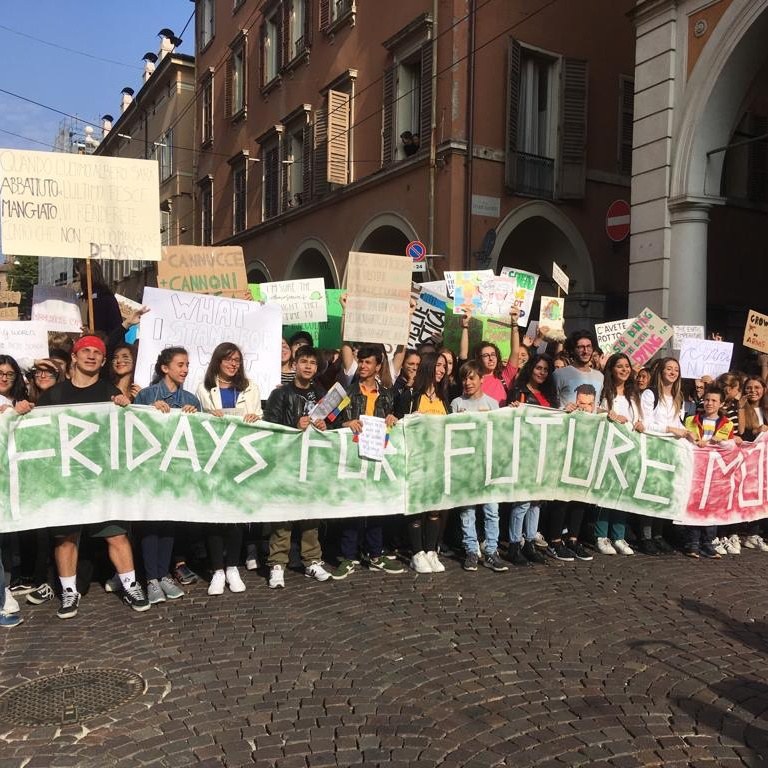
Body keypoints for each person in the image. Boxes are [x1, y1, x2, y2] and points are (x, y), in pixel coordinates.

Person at [37, 335, 148, 618]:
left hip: (103, 480)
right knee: (66, 538)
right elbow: (37, 434)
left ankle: (130, 585)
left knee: (116, 534)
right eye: (85, 351)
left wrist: (127, 407)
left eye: (97, 352)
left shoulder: (111, 393)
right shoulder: (53, 396)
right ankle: (69, 592)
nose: (91, 356)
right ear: (74, 357)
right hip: (66, 480)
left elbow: (130, 431)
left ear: (102, 360)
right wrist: (21, 412)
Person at [131, 348, 200, 604]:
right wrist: (149, 411)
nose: (185, 369)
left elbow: (201, 436)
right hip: (150, 470)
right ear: (164, 368)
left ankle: (164, 574)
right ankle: (151, 578)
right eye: (180, 364)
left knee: (169, 522)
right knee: (151, 523)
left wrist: (196, 416)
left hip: (176, 471)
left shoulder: (191, 399)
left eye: (187, 365)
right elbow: (134, 430)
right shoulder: (147, 395)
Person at [331, 345, 404, 579]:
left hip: (377, 459)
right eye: (360, 361)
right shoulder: (346, 393)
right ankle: (348, 556)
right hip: (352, 459)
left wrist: (393, 418)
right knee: (351, 508)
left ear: (378, 366)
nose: (362, 366)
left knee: (376, 507)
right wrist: (345, 424)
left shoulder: (388, 395)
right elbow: (329, 420)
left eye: (368, 362)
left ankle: (375, 554)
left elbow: (397, 424)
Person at [263, 346, 332, 587]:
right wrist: (294, 424)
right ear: (294, 365)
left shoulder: (323, 394)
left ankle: (312, 560)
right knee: (284, 512)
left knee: (311, 512)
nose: (308, 366)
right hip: (286, 461)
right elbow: (269, 425)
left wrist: (325, 426)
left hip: (312, 462)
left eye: (312, 363)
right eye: (304, 361)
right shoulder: (280, 394)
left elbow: (335, 425)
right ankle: (277, 564)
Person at [197, 342, 262, 594]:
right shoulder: (204, 388)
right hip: (214, 458)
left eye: (237, 360)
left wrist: (255, 418)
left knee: (235, 515)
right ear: (218, 361)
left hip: (240, 457)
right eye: (228, 360)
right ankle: (217, 570)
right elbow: (197, 421)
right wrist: (207, 415)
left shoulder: (250, 387)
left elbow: (259, 417)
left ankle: (233, 566)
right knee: (214, 516)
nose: (233, 364)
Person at [451, 361, 509, 573]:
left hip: (488, 464)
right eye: (464, 379)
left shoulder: (492, 403)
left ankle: (491, 551)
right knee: (467, 510)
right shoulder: (457, 403)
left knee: (492, 510)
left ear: (481, 379)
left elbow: (501, 433)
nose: (467, 382)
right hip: (466, 465)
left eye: (472, 378)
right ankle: (471, 551)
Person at [395, 352, 450, 573]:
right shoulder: (411, 396)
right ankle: (416, 553)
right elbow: (398, 425)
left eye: (444, 366)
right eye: (438, 365)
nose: (442, 370)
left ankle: (431, 550)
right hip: (416, 461)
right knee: (417, 507)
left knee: (435, 509)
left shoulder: (444, 397)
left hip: (438, 462)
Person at [506, 354, 559, 565]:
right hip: (525, 453)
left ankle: (529, 542)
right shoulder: (519, 392)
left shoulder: (549, 395)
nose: (542, 373)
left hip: (544, 454)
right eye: (538, 368)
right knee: (522, 501)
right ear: (530, 369)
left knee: (537, 501)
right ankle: (513, 545)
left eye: (546, 369)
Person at [637, 357, 690, 555]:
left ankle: (658, 535)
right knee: (650, 493)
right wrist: (670, 429)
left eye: (676, 369)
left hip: (670, 452)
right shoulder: (650, 394)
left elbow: (679, 423)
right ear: (661, 372)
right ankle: (646, 536)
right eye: (669, 368)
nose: (673, 372)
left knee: (664, 493)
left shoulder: (678, 396)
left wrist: (687, 432)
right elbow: (645, 423)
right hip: (653, 449)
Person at [595, 353, 645, 556]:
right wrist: (606, 414)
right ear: (612, 369)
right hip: (609, 450)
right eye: (619, 366)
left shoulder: (634, 395)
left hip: (629, 451)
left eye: (627, 366)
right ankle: (601, 535)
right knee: (606, 492)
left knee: (623, 493)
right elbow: (594, 412)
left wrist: (640, 424)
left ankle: (618, 535)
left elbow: (640, 419)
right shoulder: (604, 392)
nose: (624, 370)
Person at [545, 384, 597, 562]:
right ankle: (554, 541)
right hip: (563, 464)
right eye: (581, 402)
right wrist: (564, 411)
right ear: (575, 400)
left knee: (580, 501)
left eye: (589, 404)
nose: (584, 407)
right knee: (561, 501)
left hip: (583, 465)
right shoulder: (566, 413)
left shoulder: (597, 418)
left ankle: (573, 540)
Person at [682, 386, 734, 559]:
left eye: (714, 400)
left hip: (715, 474)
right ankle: (692, 543)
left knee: (712, 507)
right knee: (694, 505)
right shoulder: (691, 420)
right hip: (695, 471)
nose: (709, 403)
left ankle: (708, 543)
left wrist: (722, 441)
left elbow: (731, 448)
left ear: (721, 404)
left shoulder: (727, 424)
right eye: (707, 399)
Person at [459, 306, 521, 406]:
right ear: (478, 359)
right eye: (486, 355)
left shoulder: (505, 376)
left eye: (493, 355)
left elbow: (515, 351)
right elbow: (463, 354)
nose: (491, 358)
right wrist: (465, 326)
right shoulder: (471, 378)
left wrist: (514, 323)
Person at [737, 376, 768, 551]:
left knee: (763, 496)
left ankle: (755, 533)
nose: (753, 391)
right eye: (749, 387)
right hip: (749, 461)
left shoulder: (766, 408)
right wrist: (756, 430)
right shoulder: (742, 407)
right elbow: (741, 432)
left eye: (757, 387)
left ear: (764, 390)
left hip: (765, 462)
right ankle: (739, 532)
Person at [552, 330, 604, 407]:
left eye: (589, 346)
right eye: (581, 347)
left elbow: (596, 407)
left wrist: (608, 412)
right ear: (572, 350)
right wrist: (563, 409)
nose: (586, 351)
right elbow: (550, 404)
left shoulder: (600, 376)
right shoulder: (559, 374)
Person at [74, 259, 123, 336]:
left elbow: (104, 330)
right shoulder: (100, 296)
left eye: (79, 277)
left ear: (85, 277)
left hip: (106, 341)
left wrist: (91, 333)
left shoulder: (101, 298)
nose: (77, 280)